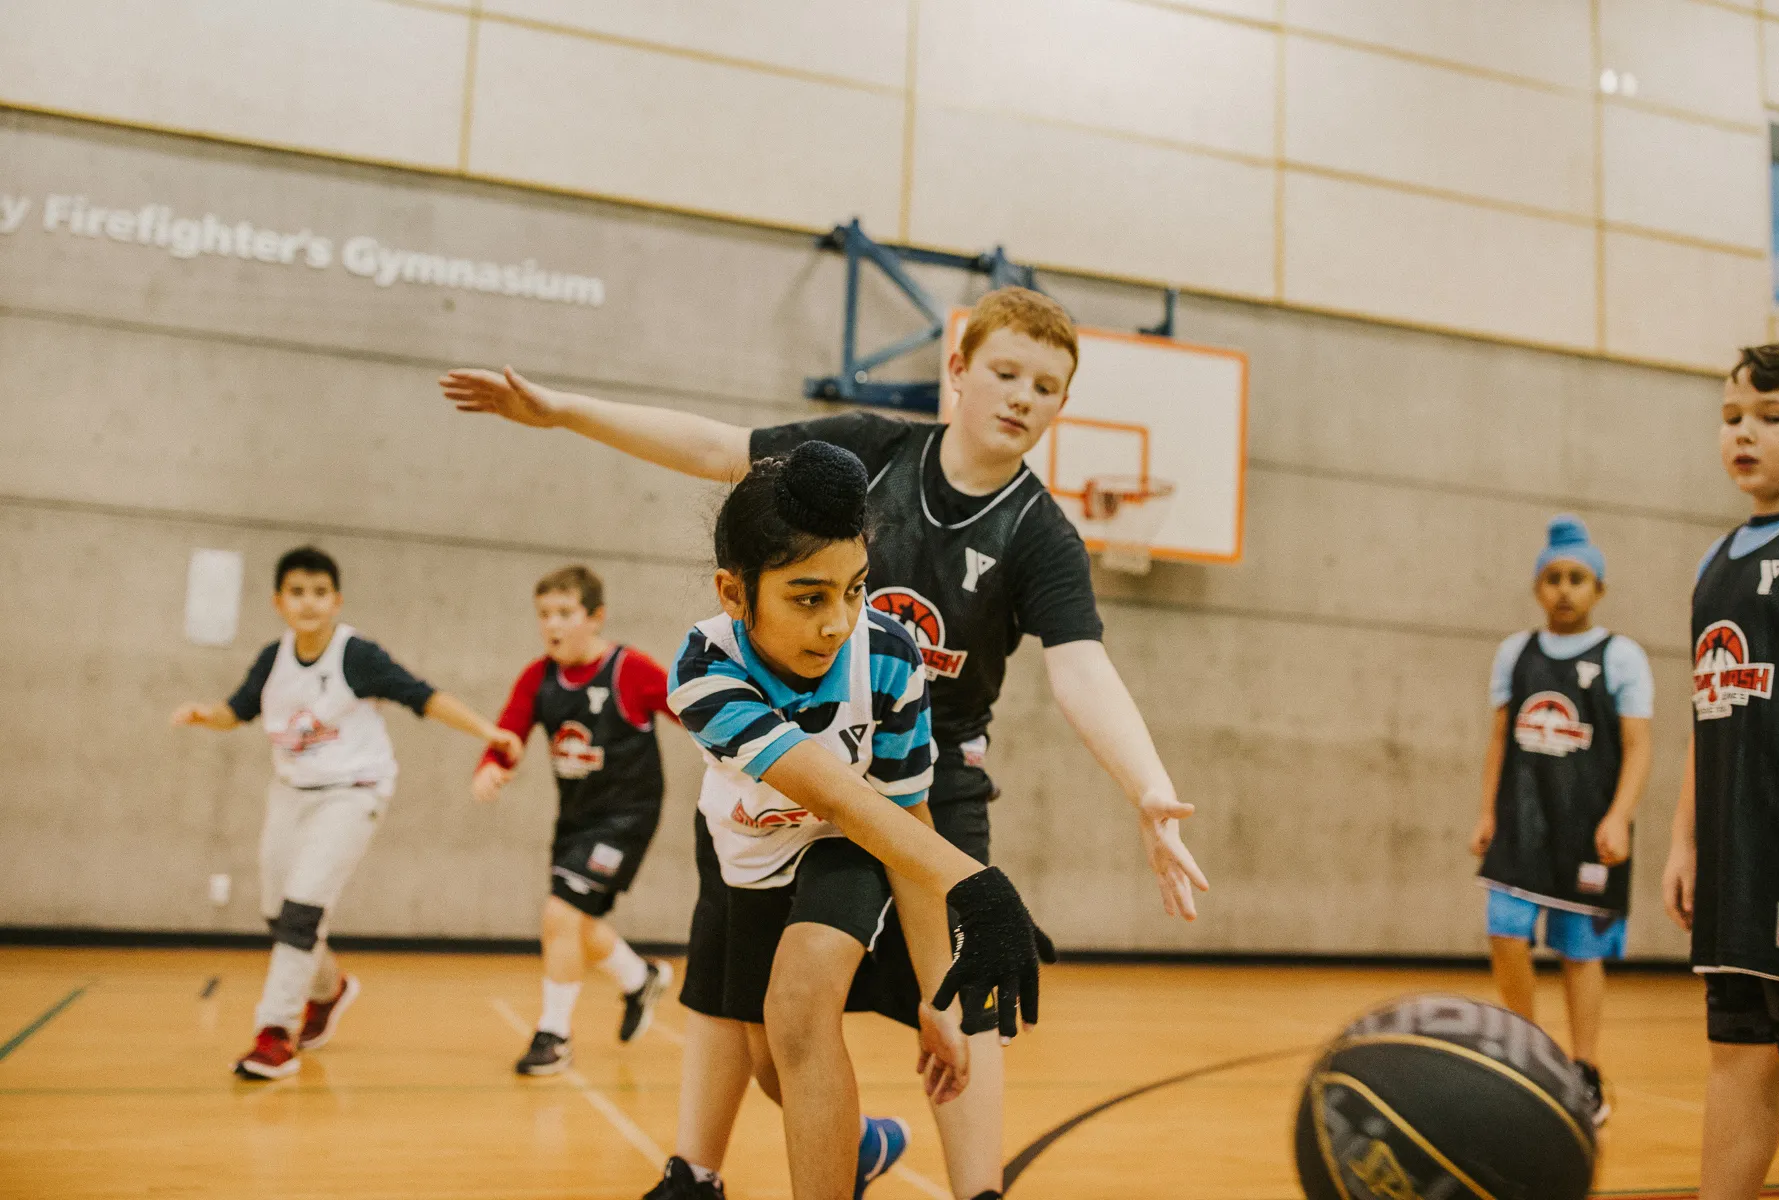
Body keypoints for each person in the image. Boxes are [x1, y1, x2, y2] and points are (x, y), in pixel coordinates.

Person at [439, 286, 1204, 1200]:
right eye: (1006, 371)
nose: (1023, 396)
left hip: (924, 765)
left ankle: (979, 1190)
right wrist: (562, 411)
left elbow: (1080, 670)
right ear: (955, 370)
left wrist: (1149, 788)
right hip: (782, 774)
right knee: (738, 997)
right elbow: (720, 449)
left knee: (962, 993)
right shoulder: (866, 460)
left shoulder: (1036, 536)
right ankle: (700, 1168)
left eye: (1047, 386)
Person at [666, 439, 1042, 1200]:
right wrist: (981, 886)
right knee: (772, 1059)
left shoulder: (890, 657)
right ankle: (860, 1144)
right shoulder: (705, 672)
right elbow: (827, 786)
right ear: (735, 594)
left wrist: (939, 998)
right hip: (755, 852)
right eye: (809, 597)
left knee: (801, 1009)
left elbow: (896, 814)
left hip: (851, 841)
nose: (838, 622)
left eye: (855, 589)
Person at [171, 545, 522, 1079]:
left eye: (319, 593)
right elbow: (237, 710)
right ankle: (328, 989)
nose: (308, 603)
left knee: (302, 911)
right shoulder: (274, 658)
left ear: (335, 600)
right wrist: (204, 715)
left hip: (353, 793)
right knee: (278, 914)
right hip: (291, 794)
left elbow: (423, 696)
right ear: (278, 601)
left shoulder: (355, 656)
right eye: (297, 593)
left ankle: (275, 1033)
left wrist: (487, 731)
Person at [1664, 340, 1779, 1199]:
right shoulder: (1716, 561)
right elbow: (1707, 713)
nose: (1743, 434)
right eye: (1731, 418)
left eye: (1772, 417)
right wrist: (1684, 841)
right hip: (1735, 866)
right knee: (1736, 1055)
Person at [1469, 514, 1653, 1126]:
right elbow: (1500, 739)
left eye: (1578, 578)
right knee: (1504, 928)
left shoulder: (1621, 656)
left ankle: (1586, 1069)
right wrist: (1487, 811)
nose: (1565, 589)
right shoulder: (1514, 654)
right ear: (1537, 588)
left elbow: (1639, 746)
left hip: (1586, 829)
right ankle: (1526, 1052)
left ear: (1598, 588)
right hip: (1523, 822)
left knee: (1579, 953)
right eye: (1553, 578)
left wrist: (1620, 817)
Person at [473, 564, 678, 1074]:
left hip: (627, 815)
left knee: (560, 914)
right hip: (577, 817)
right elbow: (508, 734)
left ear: (595, 618)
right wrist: (492, 767)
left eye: (565, 613)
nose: (553, 625)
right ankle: (639, 978)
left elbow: (693, 709)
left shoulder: (630, 670)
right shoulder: (538, 678)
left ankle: (554, 1035)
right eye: (545, 614)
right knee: (577, 922)